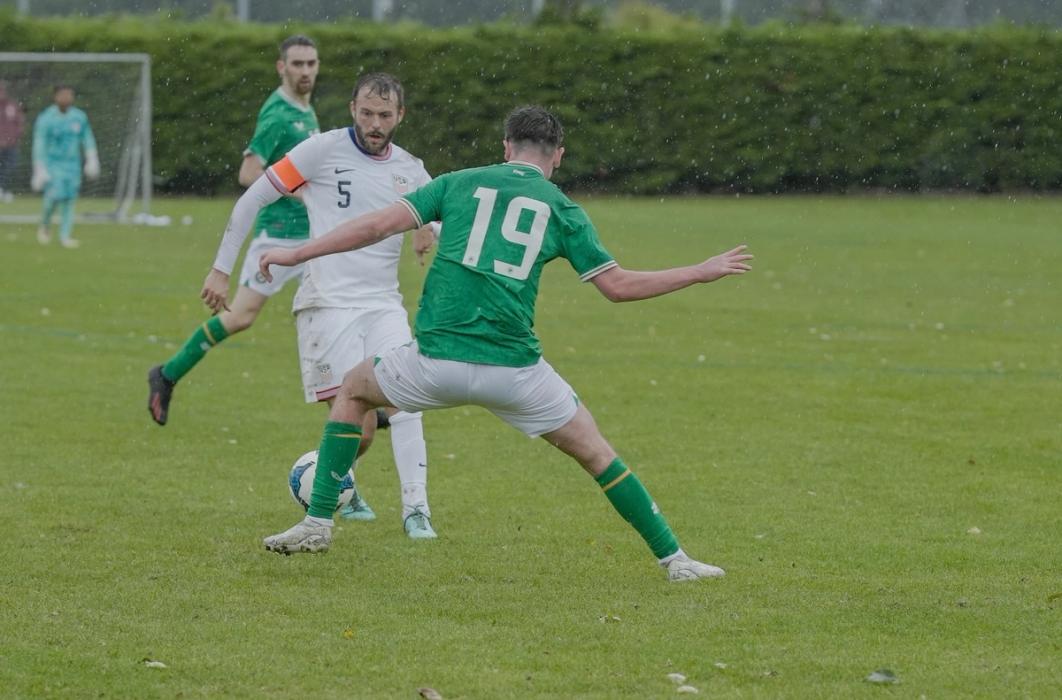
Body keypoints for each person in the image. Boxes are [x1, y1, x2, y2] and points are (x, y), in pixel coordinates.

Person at [257, 105, 753, 581]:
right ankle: (676, 559)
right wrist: (700, 271)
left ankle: (318, 524)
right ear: (557, 154)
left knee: (353, 390)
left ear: (505, 147)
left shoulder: (457, 183)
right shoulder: (562, 207)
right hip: (515, 373)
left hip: (433, 363)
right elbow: (618, 287)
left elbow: (374, 227)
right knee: (598, 455)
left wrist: (298, 251)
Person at [180, 73, 440, 538]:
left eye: (384, 115)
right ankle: (341, 483)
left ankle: (416, 509)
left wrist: (429, 228)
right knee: (358, 431)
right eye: (366, 113)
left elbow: (442, 215)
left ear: (401, 115)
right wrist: (221, 268)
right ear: (352, 109)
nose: (374, 124)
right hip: (327, 304)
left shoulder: (411, 169)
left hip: (383, 304)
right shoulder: (321, 150)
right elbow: (253, 197)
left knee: (407, 398)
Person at [147, 34, 320, 426]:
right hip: (277, 236)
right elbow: (249, 173)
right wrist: (303, 196)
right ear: (282, 67)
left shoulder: (305, 110)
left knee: (334, 308)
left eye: (311, 63)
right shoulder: (278, 114)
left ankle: (356, 402)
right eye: (297, 64)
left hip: (312, 240)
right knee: (240, 317)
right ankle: (167, 374)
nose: (305, 71)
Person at [31, 85, 98, 248]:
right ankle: (45, 225)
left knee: (69, 200)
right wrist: (39, 168)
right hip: (52, 164)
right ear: (56, 97)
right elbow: (39, 143)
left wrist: (92, 158)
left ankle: (65, 236)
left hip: (72, 165)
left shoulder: (79, 117)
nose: (66, 98)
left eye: (69, 95)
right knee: (52, 199)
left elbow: (87, 137)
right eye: (63, 95)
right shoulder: (46, 118)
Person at [0, 81, 25, 203]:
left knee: (10, 167)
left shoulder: (12, 106)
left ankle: (3, 189)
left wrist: (13, 139)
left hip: (11, 145)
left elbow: (19, 123)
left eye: (2, 90)